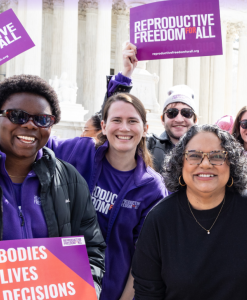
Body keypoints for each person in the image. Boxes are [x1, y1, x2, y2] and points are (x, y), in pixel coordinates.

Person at [131, 124, 247, 300]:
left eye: (217, 156)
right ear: (180, 163)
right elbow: (146, 293)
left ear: (231, 163)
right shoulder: (159, 219)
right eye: (194, 156)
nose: (205, 163)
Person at [0, 75, 106, 298]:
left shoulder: (69, 179)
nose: (29, 124)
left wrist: (86, 290)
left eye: (42, 119)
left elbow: (92, 248)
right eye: (17, 116)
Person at [47, 93, 168, 300]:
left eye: (132, 121)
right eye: (116, 120)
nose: (124, 128)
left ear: (145, 129)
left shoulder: (152, 187)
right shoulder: (79, 151)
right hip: (60, 284)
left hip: (111, 291)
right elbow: (35, 142)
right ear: (103, 126)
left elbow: (144, 258)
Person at [105, 42, 198, 173]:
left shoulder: (205, 151)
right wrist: (125, 75)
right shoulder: (148, 146)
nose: (179, 118)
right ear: (162, 118)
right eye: (171, 113)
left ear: (195, 119)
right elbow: (111, 122)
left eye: (186, 113)